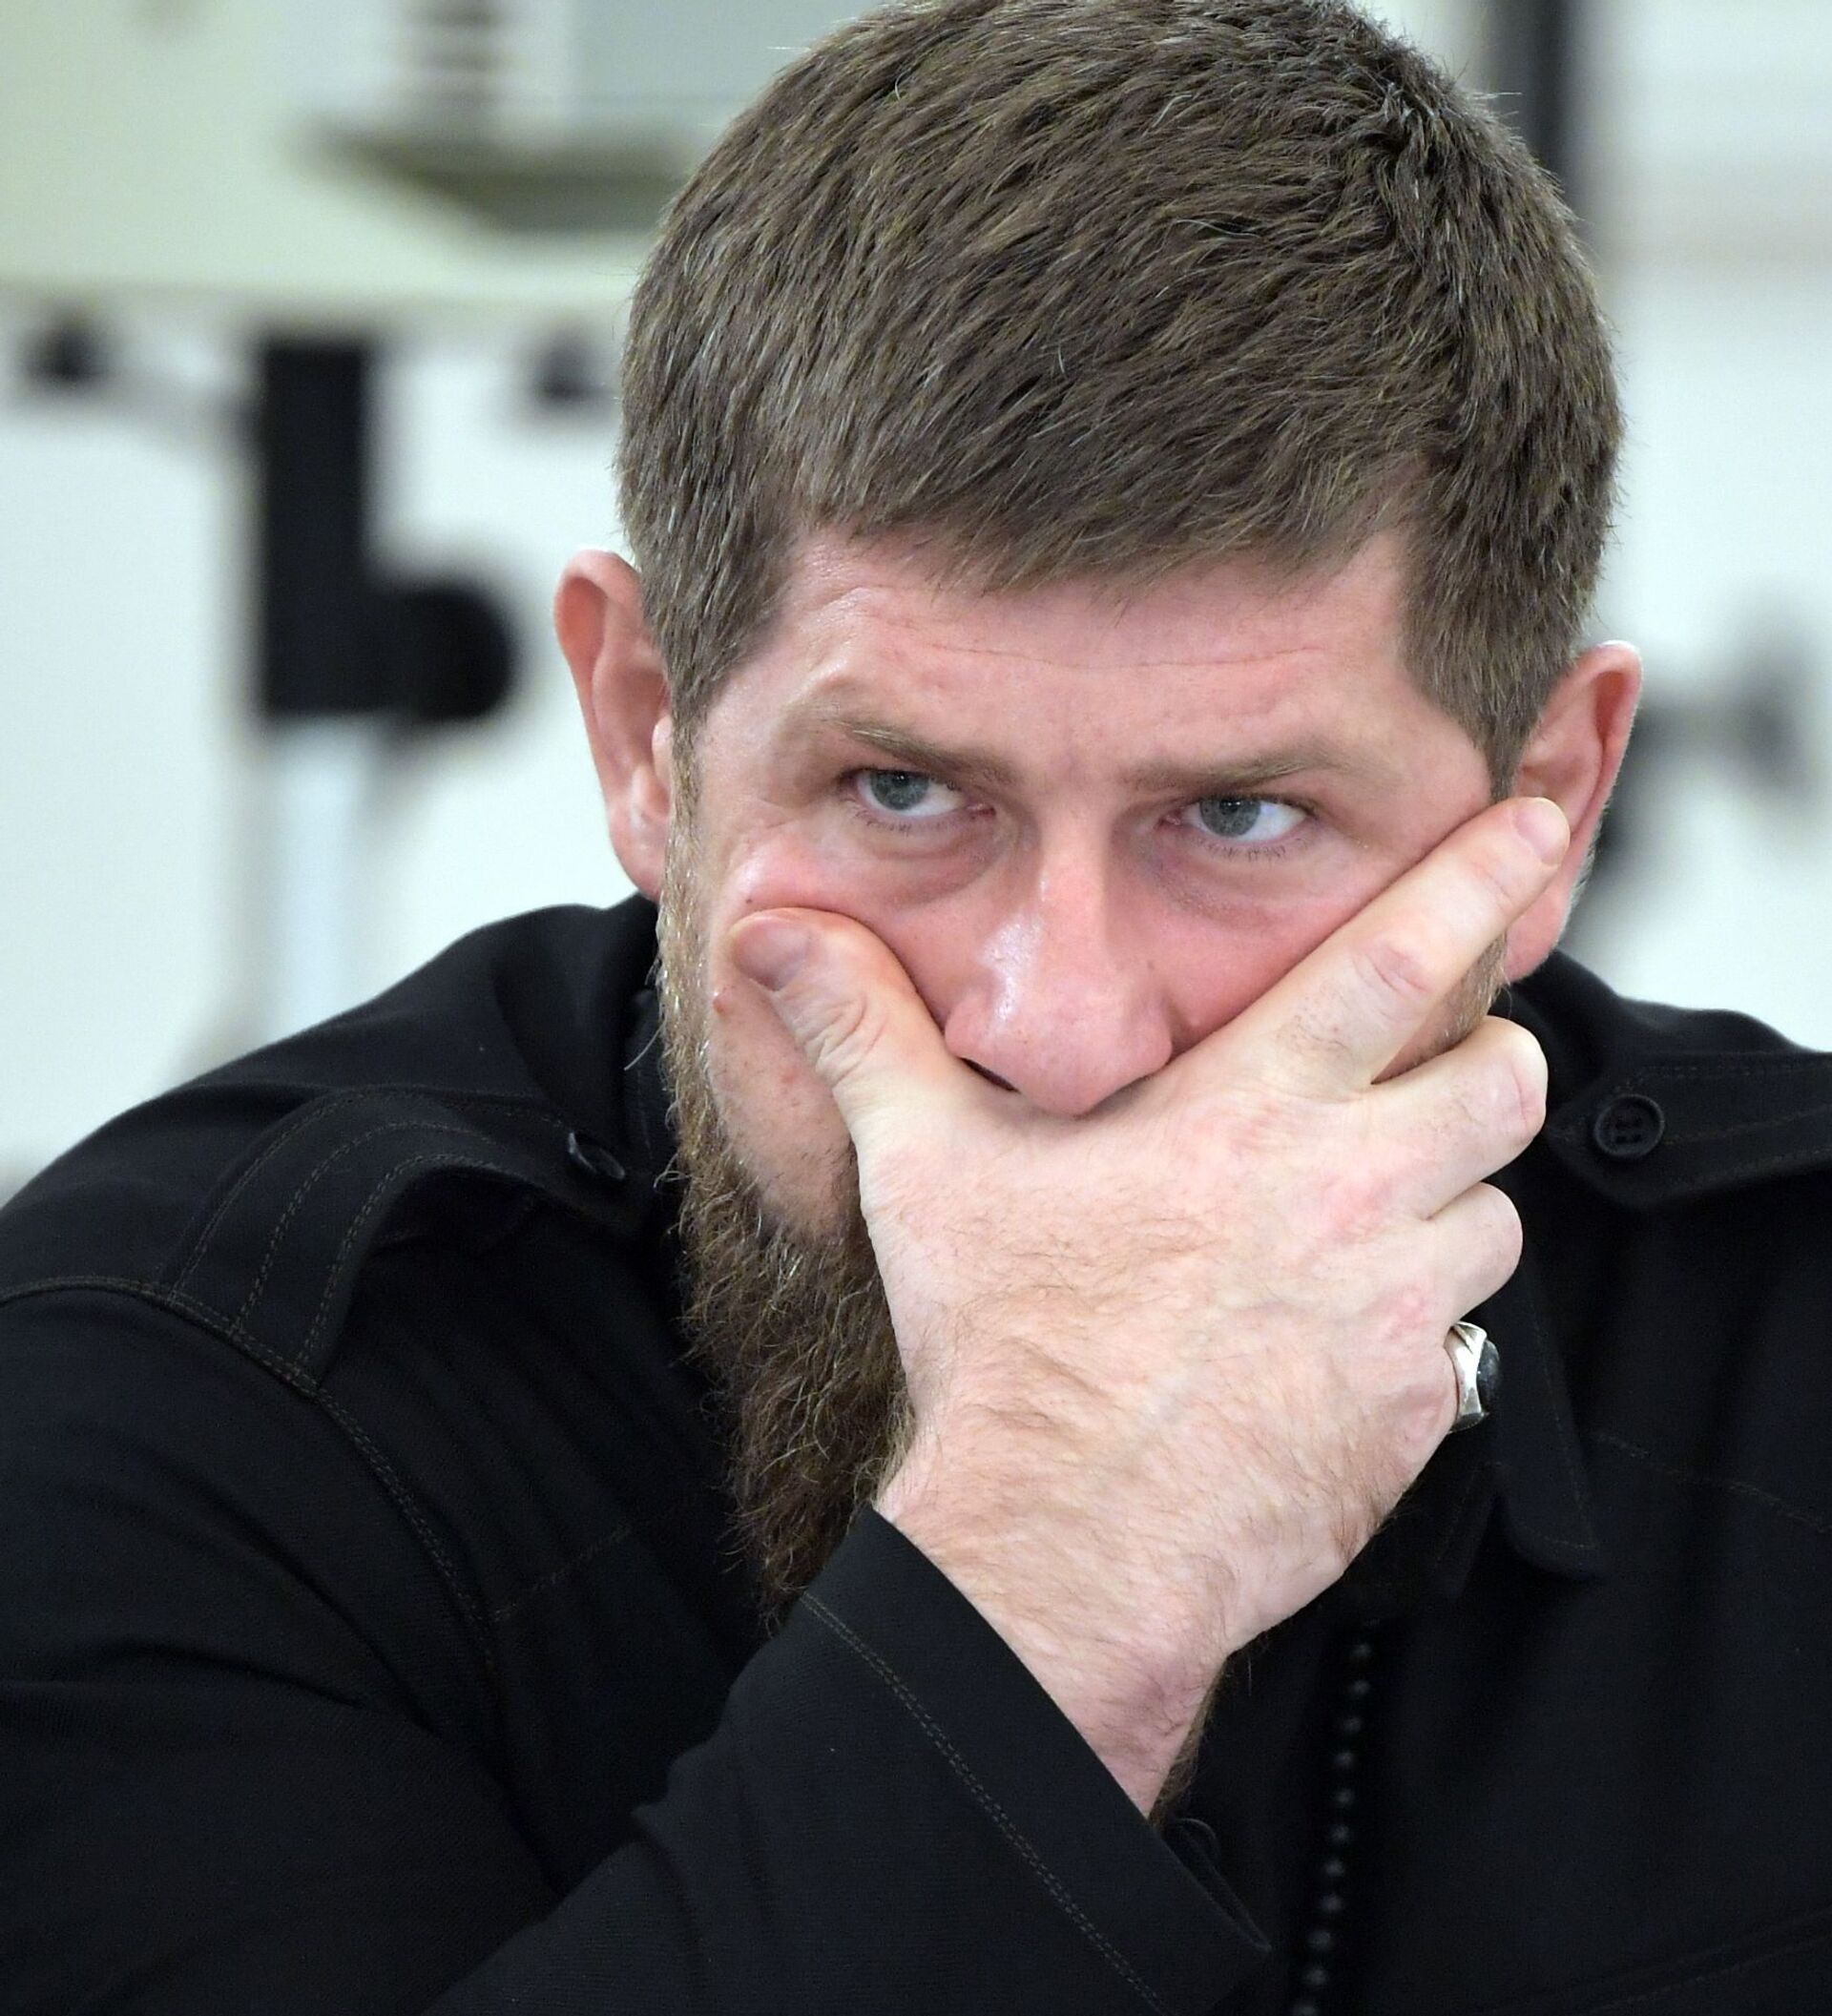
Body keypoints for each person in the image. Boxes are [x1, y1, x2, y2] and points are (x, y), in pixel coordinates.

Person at [6, 1, 1832, 2010]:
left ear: (1550, 801)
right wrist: (1054, 1586)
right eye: (902, 792)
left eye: (1240, 816)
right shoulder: (157, 1411)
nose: (1057, 1029)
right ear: (644, 734)